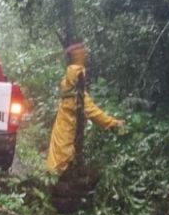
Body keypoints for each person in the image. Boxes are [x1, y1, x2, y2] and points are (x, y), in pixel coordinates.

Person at [46, 42, 124, 174]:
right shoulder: (78, 94)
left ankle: (50, 184)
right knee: (62, 167)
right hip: (68, 139)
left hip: (60, 132)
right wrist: (115, 124)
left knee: (54, 164)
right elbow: (94, 113)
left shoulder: (66, 84)